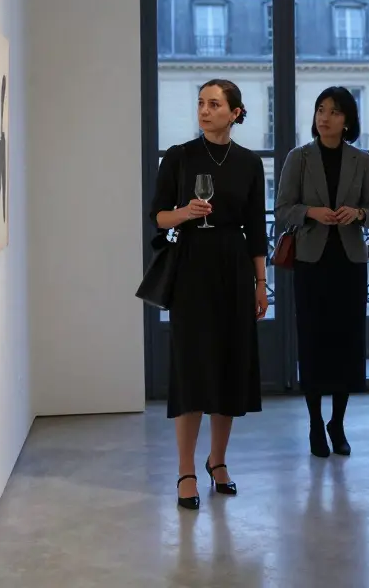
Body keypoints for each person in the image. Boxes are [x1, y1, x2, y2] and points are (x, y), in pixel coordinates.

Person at [150, 78, 269, 511]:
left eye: (214, 104)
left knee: (229, 365)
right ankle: (186, 470)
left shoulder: (249, 163)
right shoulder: (179, 156)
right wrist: (185, 212)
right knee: (192, 367)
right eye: (201, 103)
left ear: (235, 112)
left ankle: (217, 461)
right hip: (192, 267)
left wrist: (261, 283)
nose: (204, 110)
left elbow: (256, 229)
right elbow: (157, 217)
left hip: (234, 267)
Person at [275, 86, 369, 458]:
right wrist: (311, 212)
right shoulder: (299, 157)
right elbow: (282, 209)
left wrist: (359, 213)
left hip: (350, 264)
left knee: (346, 343)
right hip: (311, 263)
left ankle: (338, 422)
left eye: (334, 111)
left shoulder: (361, 160)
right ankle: (316, 423)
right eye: (321, 109)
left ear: (347, 120)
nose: (325, 117)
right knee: (314, 342)